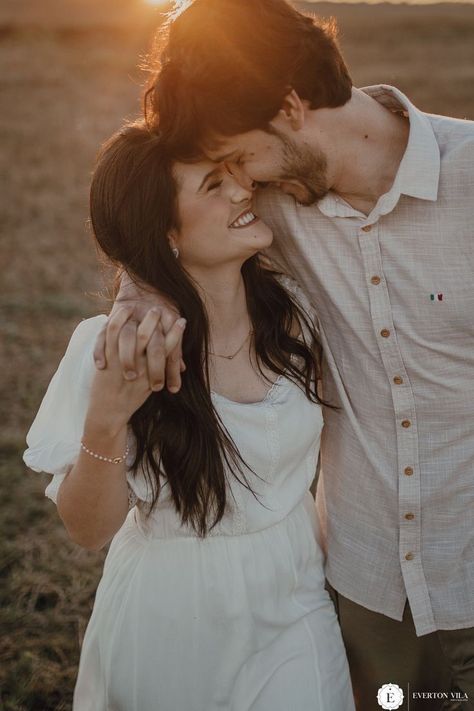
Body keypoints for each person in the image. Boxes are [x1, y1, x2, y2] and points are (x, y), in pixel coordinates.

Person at [101, 1, 474, 708]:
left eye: (237, 154)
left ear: (293, 105)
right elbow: (164, 212)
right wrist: (140, 287)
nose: (239, 181)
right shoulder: (271, 203)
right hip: (368, 594)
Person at [23, 122, 355, 711]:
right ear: (167, 234)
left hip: (294, 593)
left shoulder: (298, 314)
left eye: (234, 173)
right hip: (170, 615)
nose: (241, 191)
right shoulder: (115, 349)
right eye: (212, 185)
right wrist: (106, 419)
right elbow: (89, 529)